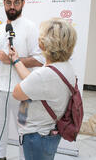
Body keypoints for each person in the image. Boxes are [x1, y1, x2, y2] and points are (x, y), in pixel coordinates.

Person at [0, 0, 44, 160]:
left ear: (23, 3)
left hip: (23, 92)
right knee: (1, 127)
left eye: (16, 2)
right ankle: (0, 156)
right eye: (8, 2)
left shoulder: (30, 27)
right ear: (4, 3)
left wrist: (11, 60)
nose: (12, 6)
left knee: (23, 131)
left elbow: (39, 59)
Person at [10, 18, 77, 160]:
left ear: (43, 44)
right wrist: (16, 60)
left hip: (37, 137)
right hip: (50, 133)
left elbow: (18, 93)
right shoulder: (64, 67)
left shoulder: (44, 75)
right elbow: (34, 83)